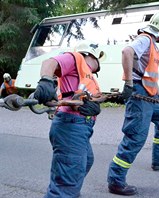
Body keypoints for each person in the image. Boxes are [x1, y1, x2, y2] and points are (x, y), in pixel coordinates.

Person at [107, 12, 159, 196]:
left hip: (150, 95)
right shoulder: (145, 39)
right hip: (139, 94)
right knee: (135, 137)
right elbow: (126, 51)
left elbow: (149, 73)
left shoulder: (152, 45)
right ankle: (116, 180)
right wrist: (129, 83)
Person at [33, 40, 106, 197]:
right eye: (98, 58)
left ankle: (68, 190)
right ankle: (65, 192)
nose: (99, 62)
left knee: (86, 161)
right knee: (68, 178)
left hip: (80, 127)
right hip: (71, 126)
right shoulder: (75, 58)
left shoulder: (87, 75)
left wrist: (93, 105)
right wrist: (46, 80)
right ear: (90, 54)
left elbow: (89, 98)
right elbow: (50, 62)